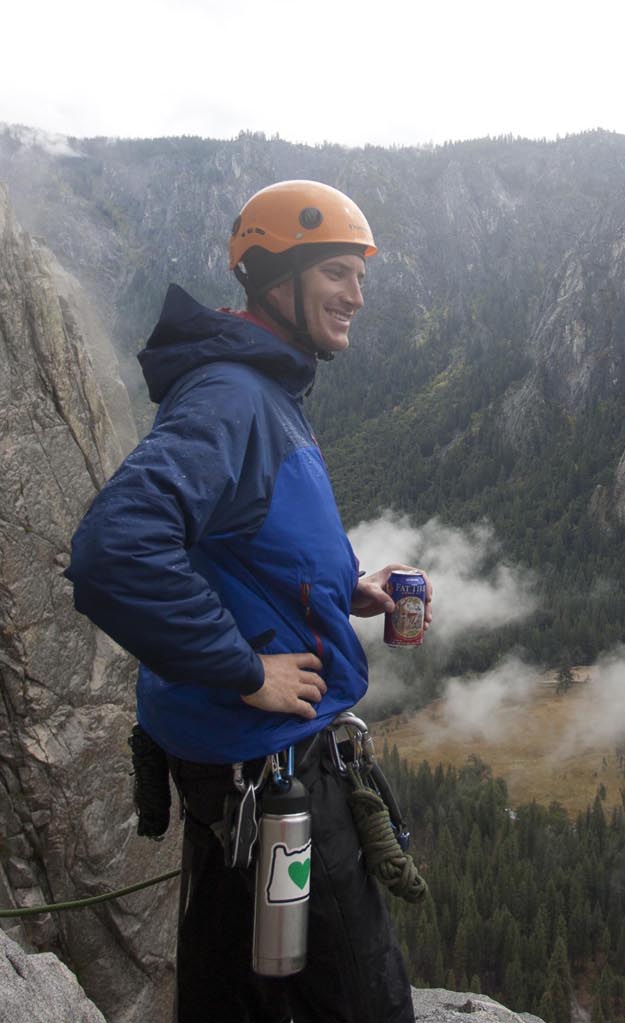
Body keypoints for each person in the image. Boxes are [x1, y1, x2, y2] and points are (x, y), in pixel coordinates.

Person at [67, 180, 425, 1022]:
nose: (357, 297)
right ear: (277, 278)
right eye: (338, 272)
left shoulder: (265, 390)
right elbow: (112, 550)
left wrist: (347, 590)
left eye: (360, 277)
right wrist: (242, 668)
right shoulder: (233, 397)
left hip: (245, 794)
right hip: (278, 793)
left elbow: (244, 545)